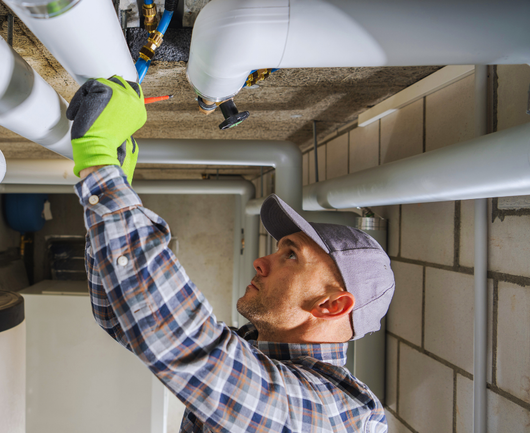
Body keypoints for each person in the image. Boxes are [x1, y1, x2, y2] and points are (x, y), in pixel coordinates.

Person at [66, 76, 395, 432]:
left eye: (291, 256)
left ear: (331, 306)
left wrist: (101, 166)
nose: (261, 261)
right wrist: (113, 184)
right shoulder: (258, 351)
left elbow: (191, 347)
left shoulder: (333, 413)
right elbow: (123, 317)